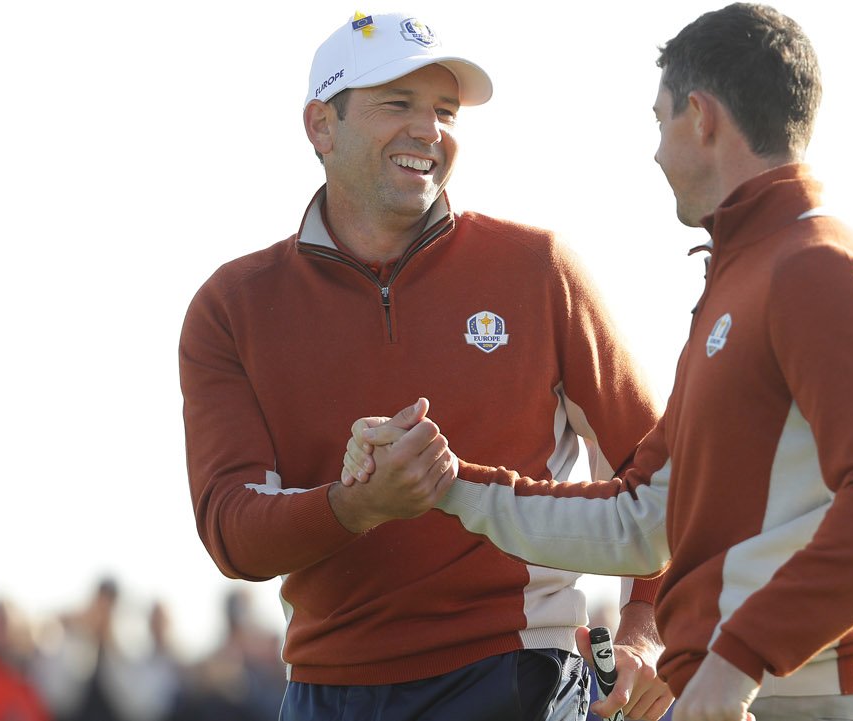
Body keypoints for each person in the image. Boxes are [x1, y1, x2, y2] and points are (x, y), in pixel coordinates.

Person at [347, 4, 853, 721]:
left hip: (821, 698)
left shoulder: (819, 269)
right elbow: (641, 514)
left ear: (702, 117)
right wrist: (443, 483)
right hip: (752, 693)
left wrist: (738, 657)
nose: (656, 151)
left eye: (660, 122)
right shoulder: (742, 277)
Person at [177, 8, 670, 721]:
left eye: (444, 110)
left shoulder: (539, 268)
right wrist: (359, 506)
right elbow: (232, 528)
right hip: (325, 689)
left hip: (520, 675)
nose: (429, 130)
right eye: (397, 104)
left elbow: (663, 477)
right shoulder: (231, 305)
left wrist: (646, 631)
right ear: (321, 125)